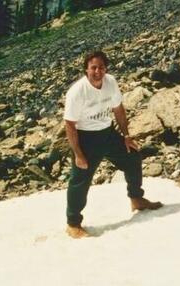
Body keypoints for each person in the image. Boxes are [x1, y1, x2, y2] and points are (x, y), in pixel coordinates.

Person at [64, 50, 162, 238]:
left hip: (108, 133)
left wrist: (126, 136)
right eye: (93, 67)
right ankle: (73, 223)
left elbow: (118, 109)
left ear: (106, 68)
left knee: (132, 157)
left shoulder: (110, 82)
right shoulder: (77, 92)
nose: (97, 71)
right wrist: (78, 153)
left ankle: (136, 198)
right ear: (86, 69)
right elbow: (70, 124)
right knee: (79, 181)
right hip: (86, 138)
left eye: (101, 67)